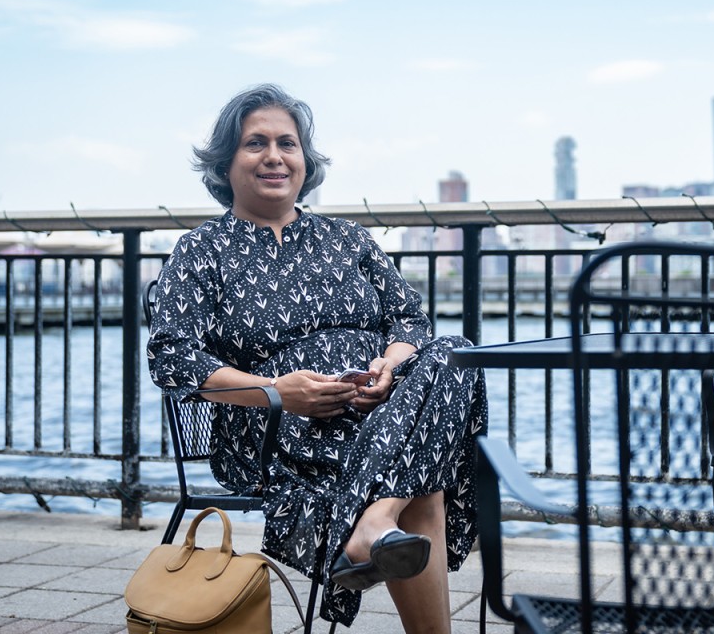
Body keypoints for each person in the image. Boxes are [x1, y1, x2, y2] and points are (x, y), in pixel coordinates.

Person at [147, 84, 488, 632]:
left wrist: (389, 367)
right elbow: (173, 355)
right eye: (255, 143)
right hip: (272, 428)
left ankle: (373, 523)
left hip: (380, 411)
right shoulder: (202, 249)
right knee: (421, 478)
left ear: (306, 160)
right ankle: (377, 527)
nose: (275, 156)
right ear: (225, 163)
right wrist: (279, 389)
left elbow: (409, 323)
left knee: (455, 351)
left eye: (288, 143)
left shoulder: (348, 239)